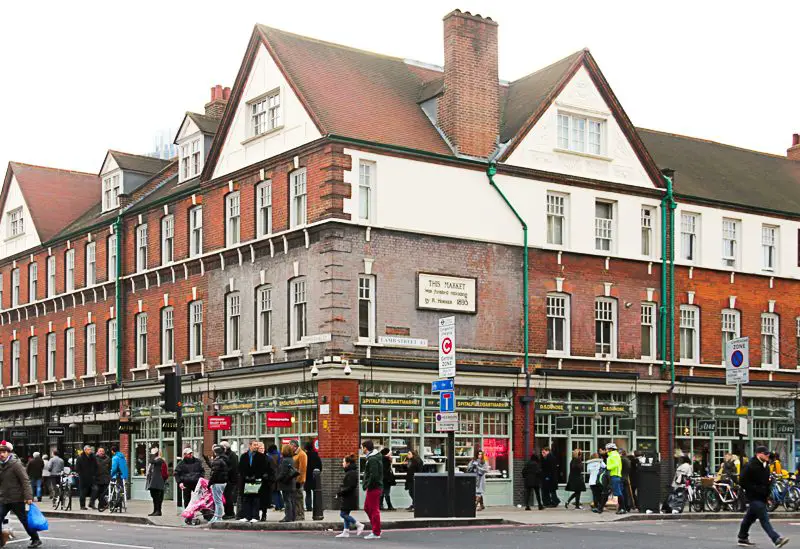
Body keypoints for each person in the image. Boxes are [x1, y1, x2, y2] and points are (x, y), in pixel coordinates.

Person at [737, 446, 789, 547]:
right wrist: (755, 489)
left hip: (762, 496)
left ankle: (742, 537)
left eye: (768, 453)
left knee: (749, 518)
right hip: (753, 496)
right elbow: (742, 481)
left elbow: (766, 483)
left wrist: (767, 496)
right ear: (758, 454)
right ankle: (776, 539)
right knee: (764, 518)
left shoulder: (765, 465)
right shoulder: (750, 466)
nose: (767, 455)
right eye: (765, 454)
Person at [0, 441, 42, 548]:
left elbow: (25, 480)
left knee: (24, 520)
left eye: (4, 452)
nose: (1, 454)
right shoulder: (1, 465)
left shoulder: (15, 464)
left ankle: (36, 539)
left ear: (8, 453)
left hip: (16, 498)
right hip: (3, 498)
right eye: (0, 452)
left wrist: (28, 497)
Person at [335, 454, 365, 538]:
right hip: (348, 496)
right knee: (346, 513)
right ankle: (346, 531)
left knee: (343, 514)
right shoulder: (350, 472)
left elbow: (351, 486)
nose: (342, 463)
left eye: (343, 462)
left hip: (349, 497)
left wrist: (340, 493)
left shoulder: (351, 473)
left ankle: (358, 524)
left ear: (348, 463)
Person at [238, 440, 267, 523]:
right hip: (246, 480)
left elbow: (263, 468)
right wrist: (246, 476)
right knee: (246, 499)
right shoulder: (244, 456)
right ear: (250, 446)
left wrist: (255, 476)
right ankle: (247, 516)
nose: (256, 446)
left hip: (256, 480)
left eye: (257, 445)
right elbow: (241, 468)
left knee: (255, 499)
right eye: (255, 445)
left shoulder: (261, 456)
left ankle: (255, 516)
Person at [361, 440, 383, 540]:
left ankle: (376, 532)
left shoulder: (373, 459)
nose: (361, 449)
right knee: (367, 508)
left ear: (366, 448)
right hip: (373, 487)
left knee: (374, 510)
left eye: (362, 447)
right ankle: (375, 527)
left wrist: (367, 484)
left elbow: (374, 475)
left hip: (374, 487)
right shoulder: (372, 457)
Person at [276, 444, 299, 523]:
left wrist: (276, 479)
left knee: (287, 500)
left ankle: (288, 517)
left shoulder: (285, 460)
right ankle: (292, 516)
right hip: (291, 482)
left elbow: (283, 473)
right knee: (291, 500)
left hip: (286, 483)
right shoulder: (291, 459)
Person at [208, 445, 229, 524]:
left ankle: (218, 517)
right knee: (218, 500)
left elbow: (214, 473)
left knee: (217, 501)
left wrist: (209, 483)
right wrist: (208, 461)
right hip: (223, 482)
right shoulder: (225, 459)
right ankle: (216, 516)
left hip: (217, 482)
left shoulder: (218, 460)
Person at [145, 447, 168, 517]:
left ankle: (158, 511)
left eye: (153, 454)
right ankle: (155, 510)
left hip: (158, 482)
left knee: (158, 497)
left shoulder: (160, 460)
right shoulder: (156, 460)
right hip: (153, 481)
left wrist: (152, 454)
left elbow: (151, 461)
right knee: (154, 497)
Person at [219, 441, 239, 520]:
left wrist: (224, 472)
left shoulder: (232, 455)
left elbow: (233, 467)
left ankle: (230, 513)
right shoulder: (225, 455)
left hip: (230, 479)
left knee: (228, 496)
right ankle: (227, 512)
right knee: (225, 496)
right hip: (225, 479)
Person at [75, 445, 97, 510]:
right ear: (85, 450)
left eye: (90, 449)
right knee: (83, 492)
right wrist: (81, 474)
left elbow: (96, 466)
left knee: (95, 489)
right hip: (83, 478)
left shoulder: (93, 457)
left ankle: (91, 503)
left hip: (92, 477)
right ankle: (82, 506)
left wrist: (94, 474)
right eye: (88, 449)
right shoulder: (80, 458)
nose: (90, 451)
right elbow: (77, 468)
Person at [257, 442, 275, 522]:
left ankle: (264, 515)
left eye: (263, 448)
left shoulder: (268, 458)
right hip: (255, 482)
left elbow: (272, 470)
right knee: (255, 500)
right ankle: (255, 515)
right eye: (260, 448)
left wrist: (268, 476)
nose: (262, 450)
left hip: (265, 483)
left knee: (264, 500)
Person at [290, 440, 308, 520]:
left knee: (299, 498)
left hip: (299, 481)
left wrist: (299, 481)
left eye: (290, 446)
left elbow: (302, 470)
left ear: (294, 446)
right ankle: (296, 514)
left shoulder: (302, 454)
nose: (289, 448)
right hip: (294, 480)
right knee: (295, 498)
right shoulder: (294, 454)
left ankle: (300, 515)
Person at [606, 443, 625, 515]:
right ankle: (621, 508)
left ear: (611, 449)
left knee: (618, 493)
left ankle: (622, 508)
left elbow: (616, 464)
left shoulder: (613, 455)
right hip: (616, 475)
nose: (606, 450)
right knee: (618, 493)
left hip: (615, 475)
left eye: (607, 448)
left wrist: (608, 467)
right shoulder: (614, 455)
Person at [304, 441, 322, 513]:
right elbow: (320, 467)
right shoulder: (316, 456)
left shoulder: (305, 456)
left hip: (307, 477)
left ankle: (308, 507)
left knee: (308, 493)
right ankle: (316, 506)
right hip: (315, 477)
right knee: (316, 492)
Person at [266, 444, 283, 511]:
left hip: (273, 476)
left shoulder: (270, 456)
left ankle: (277, 506)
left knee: (274, 492)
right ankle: (282, 505)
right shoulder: (280, 455)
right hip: (279, 475)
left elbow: (270, 467)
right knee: (278, 491)